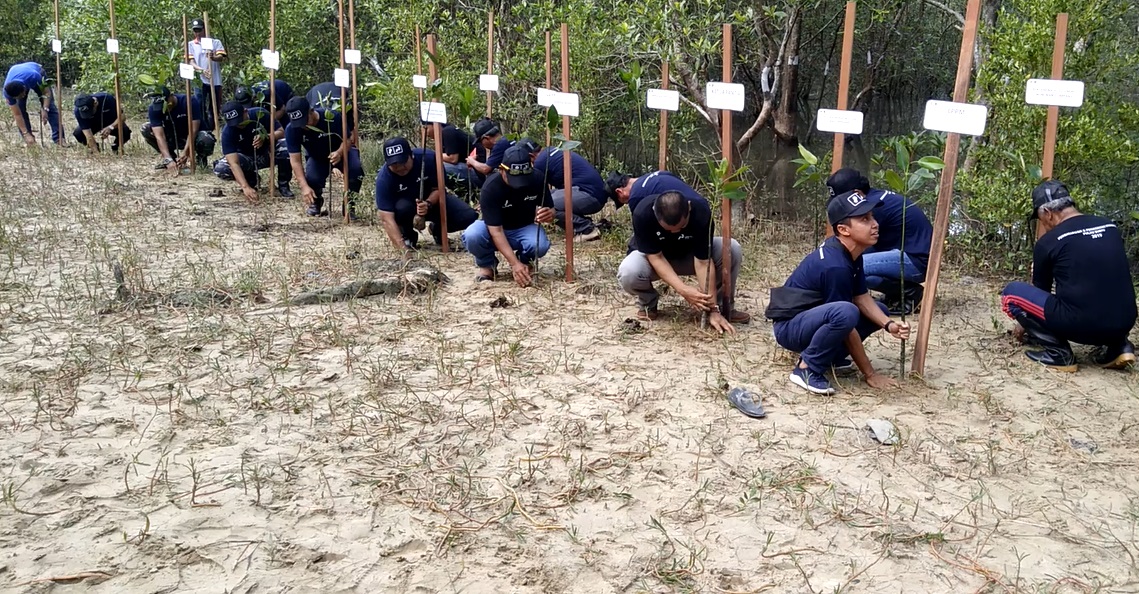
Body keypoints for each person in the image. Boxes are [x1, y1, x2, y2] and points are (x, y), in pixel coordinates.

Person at [765, 191, 910, 395]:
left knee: (879, 310)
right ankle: (807, 368)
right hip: (790, 328)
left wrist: (889, 324)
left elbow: (860, 296)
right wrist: (870, 374)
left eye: (872, 217)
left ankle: (830, 356)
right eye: (864, 219)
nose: (874, 224)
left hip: (812, 319)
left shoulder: (852, 252)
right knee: (846, 313)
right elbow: (846, 322)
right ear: (843, 229)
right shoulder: (836, 266)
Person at [1000, 180, 1137, 371]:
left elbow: (1041, 291)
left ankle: (1059, 353)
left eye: (1040, 219)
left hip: (1082, 326)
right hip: (1125, 321)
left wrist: (1025, 325)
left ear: (1048, 213)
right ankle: (1119, 347)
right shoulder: (1109, 226)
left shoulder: (1048, 242)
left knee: (1011, 293)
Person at [616, 190, 750, 333]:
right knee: (628, 271)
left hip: (690, 257)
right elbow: (656, 258)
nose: (675, 232)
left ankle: (721, 307)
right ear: (655, 213)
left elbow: (703, 262)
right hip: (657, 260)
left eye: (681, 227)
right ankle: (648, 302)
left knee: (731, 248)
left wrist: (713, 309)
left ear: (689, 208)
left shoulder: (701, 212)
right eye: (668, 229)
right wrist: (684, 290)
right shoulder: (643, 213)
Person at [826, 168, 932, 314]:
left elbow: (852, 246)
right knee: (854, 263)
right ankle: (897, 294)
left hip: (917, 261)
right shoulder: (875, 197)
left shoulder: (872, 208)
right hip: (908, 253)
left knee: (854, 267)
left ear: (856, 193)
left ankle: (910, 293)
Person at [463, 144, 555, 286]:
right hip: (495, 229)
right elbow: (496, 231)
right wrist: (514, 264)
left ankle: (526, 262)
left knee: (540, 244)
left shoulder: (537, 178)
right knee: (472, 235)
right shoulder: (491, 188)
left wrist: (548, 214)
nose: (518, 185)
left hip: (524, 227)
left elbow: (551, 209)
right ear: (501, 170)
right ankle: (487, 265)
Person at [375, 137, 478, 251]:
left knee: (469, 216)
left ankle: (437, 230)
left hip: (432, 201)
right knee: (402, 208)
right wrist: (403, 251)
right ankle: (408, 237)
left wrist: (427, 204)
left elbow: (439, 188)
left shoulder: (428, 158)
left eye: (403, 162)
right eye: (394, 165)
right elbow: (386, 218)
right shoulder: (384, 179)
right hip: (405, 208)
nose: (399, 168)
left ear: (412, 156)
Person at [283, 96, 364, 218]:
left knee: (356, 171)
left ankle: (349, 205)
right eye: (299, 123)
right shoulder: (292, 130)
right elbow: (295, 161)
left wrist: (339, 152)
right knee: (312, 177)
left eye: (304, 121)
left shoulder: (333, 117)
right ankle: (316, 202)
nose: (302, 126)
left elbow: (348, 140)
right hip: (317, 157)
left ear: (311, 111)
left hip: (342, 152)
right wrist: (304, 187)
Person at [213, 100, 292, 200]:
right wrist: (245, 187)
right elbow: (233, 163)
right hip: (247, 159)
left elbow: (281, 132)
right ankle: (251, 179)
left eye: (240, 120)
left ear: (245, 112)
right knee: (221, 168)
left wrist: (266, 137)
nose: (239, 125)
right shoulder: (228, 132)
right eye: (235, 123)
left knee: (285, 145)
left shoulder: (260, 114)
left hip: (268, 153)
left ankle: (283, 185)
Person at [531, 142, 607, 242]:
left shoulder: (540, 162)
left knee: (546, 205)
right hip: (592, 192)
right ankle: (585, 224)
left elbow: (533, 190)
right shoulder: (551, 151)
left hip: (590, 195)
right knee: (550, 195)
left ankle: (587, 229)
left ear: (531, 156)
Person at [141, 87, 215, 172]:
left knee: (206, 139)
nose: (164, 109)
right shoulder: (154, 109)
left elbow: (194, 130)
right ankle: (172, 159)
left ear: (171, 96)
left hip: (193, 138)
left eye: (166, 104)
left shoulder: (189, 101)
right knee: (146, 128)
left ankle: (201, 160)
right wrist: (168, 159)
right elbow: (159, 136)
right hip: (172, 136)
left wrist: (186, 152)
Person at [3, 62, 61, 146]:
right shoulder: (7, 93)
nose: (21, 97)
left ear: (24, 88)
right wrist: (25, 133)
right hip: (17, 72)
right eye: (17, 97)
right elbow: (17, 115)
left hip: (36, 71)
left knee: (50, 107)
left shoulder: (34, 76)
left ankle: (59, 138)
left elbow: (47, 92)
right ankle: (30, 141)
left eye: (21, 95)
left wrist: (45, 109)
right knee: (21, 108)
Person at [187, 18, 226, 131]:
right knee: (199, 104)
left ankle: (213, 128)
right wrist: (202, 70)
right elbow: (191, 61)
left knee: (215, 106)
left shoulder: (215, 42)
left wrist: (213, 57)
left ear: (204, 29)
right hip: (200, 80)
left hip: (215, 80)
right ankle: (203, 129)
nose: (197, 33)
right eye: (195, 31)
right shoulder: (191, 45)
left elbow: (221, 57)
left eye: (199, 30)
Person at [605, 170, 704, 213]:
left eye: (623, 201)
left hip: (691, 216)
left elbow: (642, 230)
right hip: (702, 207)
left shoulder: (636, 196)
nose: (627, 202)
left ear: (619, 192)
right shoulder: (658, 174)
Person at [437, 123, 482, 200]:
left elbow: (452, 159)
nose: (426, 132)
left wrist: (434, 155)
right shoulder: (449, 130)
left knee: (440, 167)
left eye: (427, 128)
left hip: (478, 173)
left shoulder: (448, 131)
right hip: (473, 170)